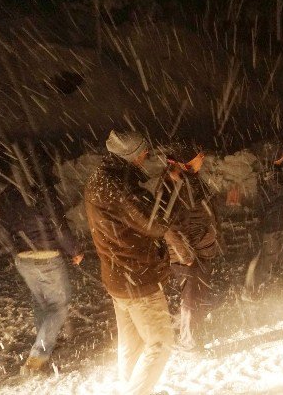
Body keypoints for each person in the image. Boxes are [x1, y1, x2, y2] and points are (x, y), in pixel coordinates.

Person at [85, 130, 180, 395]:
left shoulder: (100, 179)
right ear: (132, 154)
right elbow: (155, 223)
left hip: (118, 276)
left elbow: (135, 212)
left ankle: (134, 388)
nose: (146, 156)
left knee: (133, 342)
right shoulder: (119, 187)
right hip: (137, 277)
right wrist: (171, 187)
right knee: (160, 342)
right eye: (143, 152)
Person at [0, 143, 84, 376]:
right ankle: (38, 356)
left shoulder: (6, 195)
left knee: (41, 303)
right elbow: (58, 227)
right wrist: (74, 250)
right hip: (47, 257)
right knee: (59, 306)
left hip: (23, 258)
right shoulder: (43, 193)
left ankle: (45, 344)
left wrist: (17, 251)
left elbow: (5, 227)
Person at [155, 143, 226, 351]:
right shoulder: (171, 184)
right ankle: (189, 342)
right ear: (185, 160)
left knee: (197, 295)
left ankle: (193, 332)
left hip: (200, 249)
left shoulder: (189, 179)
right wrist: (184, 254)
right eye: (198, 154)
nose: (202, 156)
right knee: (191, 297)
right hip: (188, 254)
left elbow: (203, 209)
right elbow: (166, 225)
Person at [243, 142, 283, 300]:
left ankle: (260, 288)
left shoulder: (275, 173)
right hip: (272, 224)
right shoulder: (268, 176)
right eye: (282, 156)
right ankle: (252, 291)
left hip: (277, 223)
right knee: (267, 258)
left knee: (273, 257)